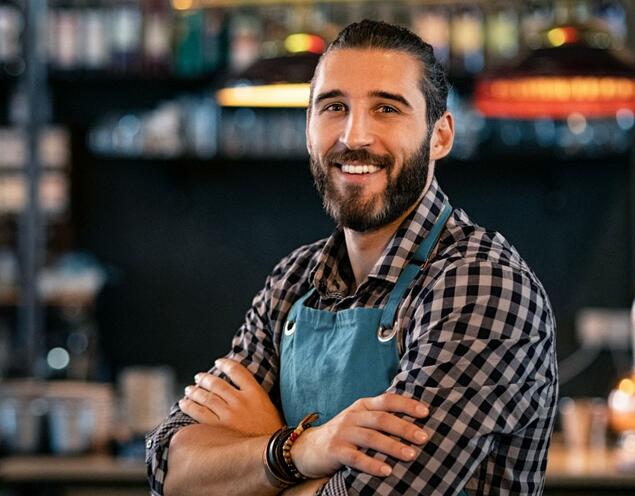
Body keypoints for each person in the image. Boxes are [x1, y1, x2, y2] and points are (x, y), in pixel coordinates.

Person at [146, 19, 557, 496]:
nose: (354, 136)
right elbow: (169, 470)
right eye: (334, 107)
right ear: (308, 129)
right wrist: (299, 449)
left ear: (440, 135)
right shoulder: (293, 279)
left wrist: (255, 453)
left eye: (386, 108)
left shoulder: (482, 285)